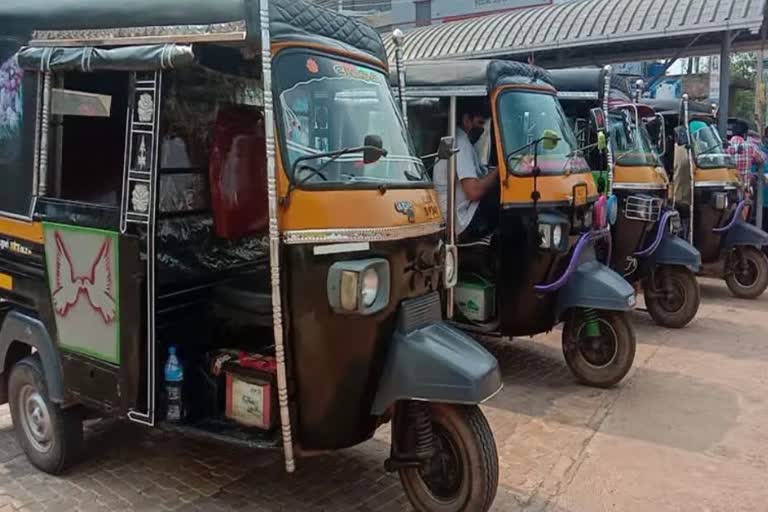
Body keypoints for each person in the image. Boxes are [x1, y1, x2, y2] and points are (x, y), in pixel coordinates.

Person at [433, 99, 498, 243]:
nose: (481, 129)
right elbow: (473, 191)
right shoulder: (460, 143)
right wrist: (500, 171)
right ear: (467, 119)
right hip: (460, 222)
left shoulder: (462, 141)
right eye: (480, 123)